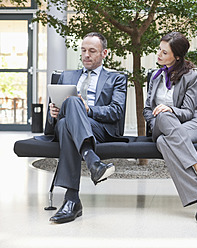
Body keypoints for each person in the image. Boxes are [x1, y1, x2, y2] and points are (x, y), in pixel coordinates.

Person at [47, 32, 127, 224]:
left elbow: (116, 112)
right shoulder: (66, 76)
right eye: (83, 50)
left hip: (99, 128)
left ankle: (72, 200)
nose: (86, 55)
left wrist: (88, 109)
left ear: (104, 53)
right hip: (69, 124)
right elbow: (53, 119)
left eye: (92, 51)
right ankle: (92, 161)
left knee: (69, 120)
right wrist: (53, 113)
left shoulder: (116, 78)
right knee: (67, 117)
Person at [143, 32, 197, 222]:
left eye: (164, 52)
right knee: (163, 118)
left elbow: (188, 112)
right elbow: (146, 109)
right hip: (160, 124)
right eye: (159, 50)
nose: (158, 55)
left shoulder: (192, 76)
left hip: (192, 124)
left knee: (164, 142)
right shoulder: (154, 76)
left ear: (177, 57)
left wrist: (169, 110)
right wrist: (158, 120)